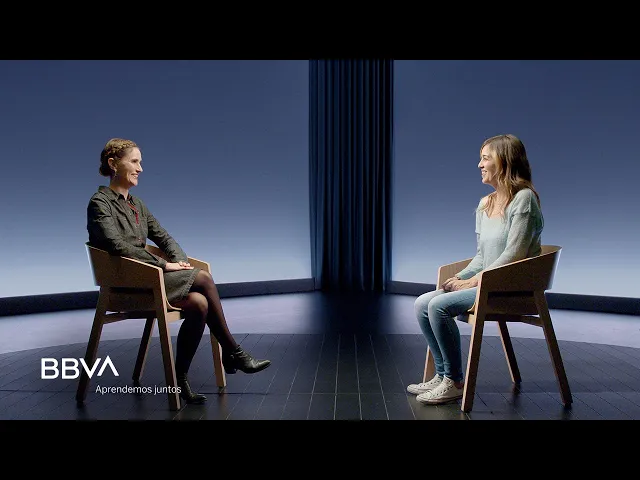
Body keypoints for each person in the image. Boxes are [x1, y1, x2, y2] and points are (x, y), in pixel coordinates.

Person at [87, 138, 271, 405]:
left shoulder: (137, 204)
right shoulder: (99, 202)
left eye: (140, 162)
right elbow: (117, 246)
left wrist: (180, 262)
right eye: (134, 162)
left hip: (150, 281)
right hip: (126, 286)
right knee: (203, 278)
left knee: (199, 303)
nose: (140, 168)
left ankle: (181, 379)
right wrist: (165, 265)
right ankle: (233, 352)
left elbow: (164, 237)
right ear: (113, 164)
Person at [407, 134, 544, 405]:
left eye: (485, 158)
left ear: (504, 161)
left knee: (439, 306)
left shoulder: (524, 199)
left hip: (510, 288)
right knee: (423, 303)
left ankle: (454, 381)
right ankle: (443, 374)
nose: (479, 165)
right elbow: (483, 256)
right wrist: (461, 276)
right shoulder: (486, 203)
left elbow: (514, 255)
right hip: (487, 283)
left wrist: (472, 283)